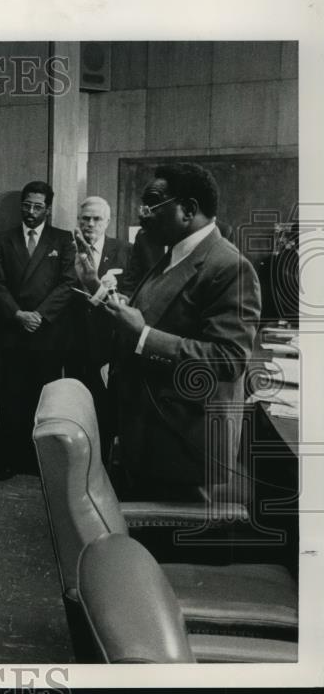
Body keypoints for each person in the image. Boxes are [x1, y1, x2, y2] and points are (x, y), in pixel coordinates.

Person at [75, 163, 261, 501]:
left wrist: (145, 337)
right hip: (148, 433)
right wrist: (96, 289)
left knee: (159, 549)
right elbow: (143, 313)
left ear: (188, 209)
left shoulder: (229, 267)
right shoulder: (171, 254)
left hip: (180, 447)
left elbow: (228, 360)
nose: (143, 215)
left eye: (152, 204)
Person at [0, 180, 77, 480]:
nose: (31, 211)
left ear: (48, 209)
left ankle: (41, 463)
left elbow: (68, 283)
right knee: (12, 398)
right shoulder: (4, 240)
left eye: (38, 206)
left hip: (48, 333)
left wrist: (39, 315)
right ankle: (10, 460)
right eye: (26, 205)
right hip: (13, 331)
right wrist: (18, 314)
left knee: (45, 400)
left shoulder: (63, 240)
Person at [68, 196, 132, 465]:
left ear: (107, 221)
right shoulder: (66, 248)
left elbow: (131, 293)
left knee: (106, 411)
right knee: (75, 409)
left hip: (110, 344)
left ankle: (102, 468)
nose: (90, 224)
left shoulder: (125, 250)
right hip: (73, 342)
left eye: (96, 219)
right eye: (85, 218)